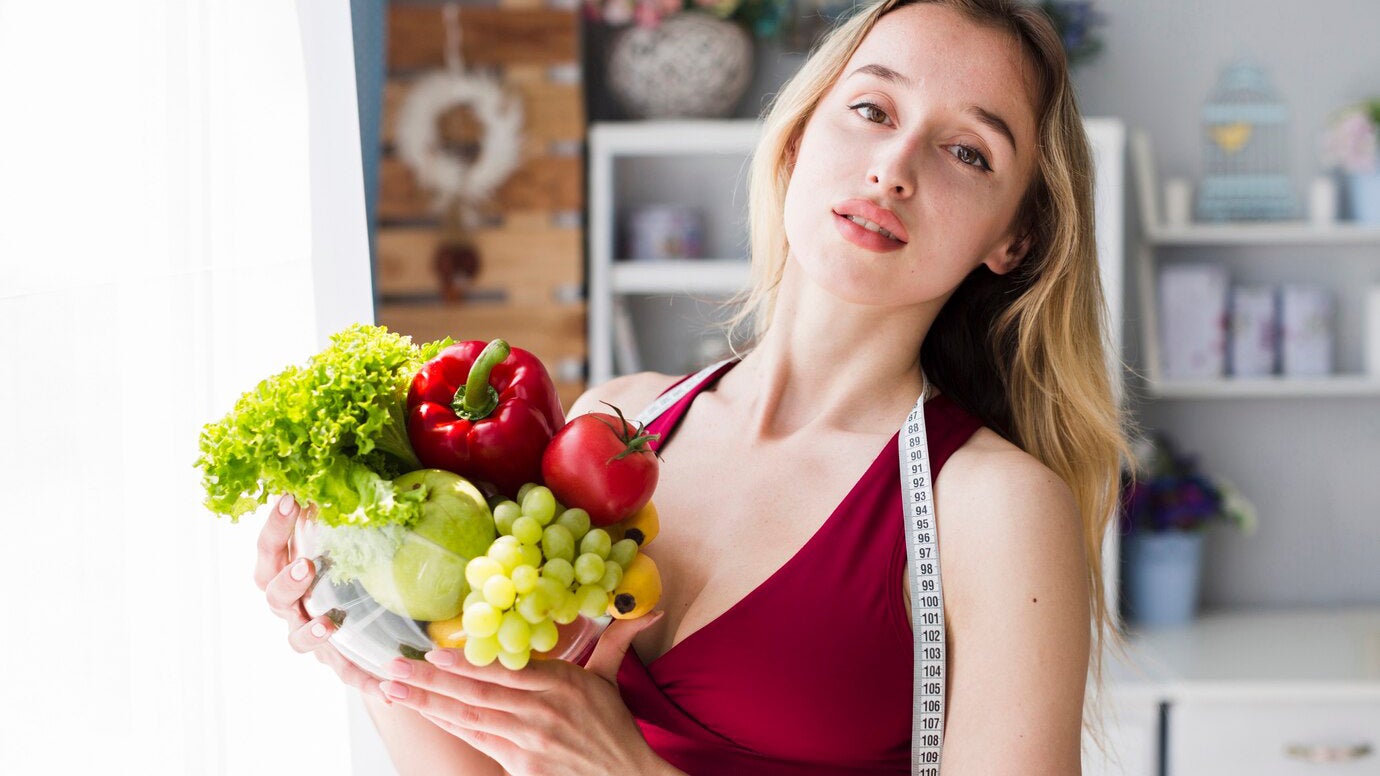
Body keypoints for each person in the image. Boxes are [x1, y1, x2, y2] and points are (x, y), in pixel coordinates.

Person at [257, 0, 1138, 772]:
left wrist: (627, 770)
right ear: (798, 137)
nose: (894, 168)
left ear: (1013, 239)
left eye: (968, 152)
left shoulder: (992, 508)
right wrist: (370, 626)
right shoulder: (614, 420)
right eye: (871, 108)